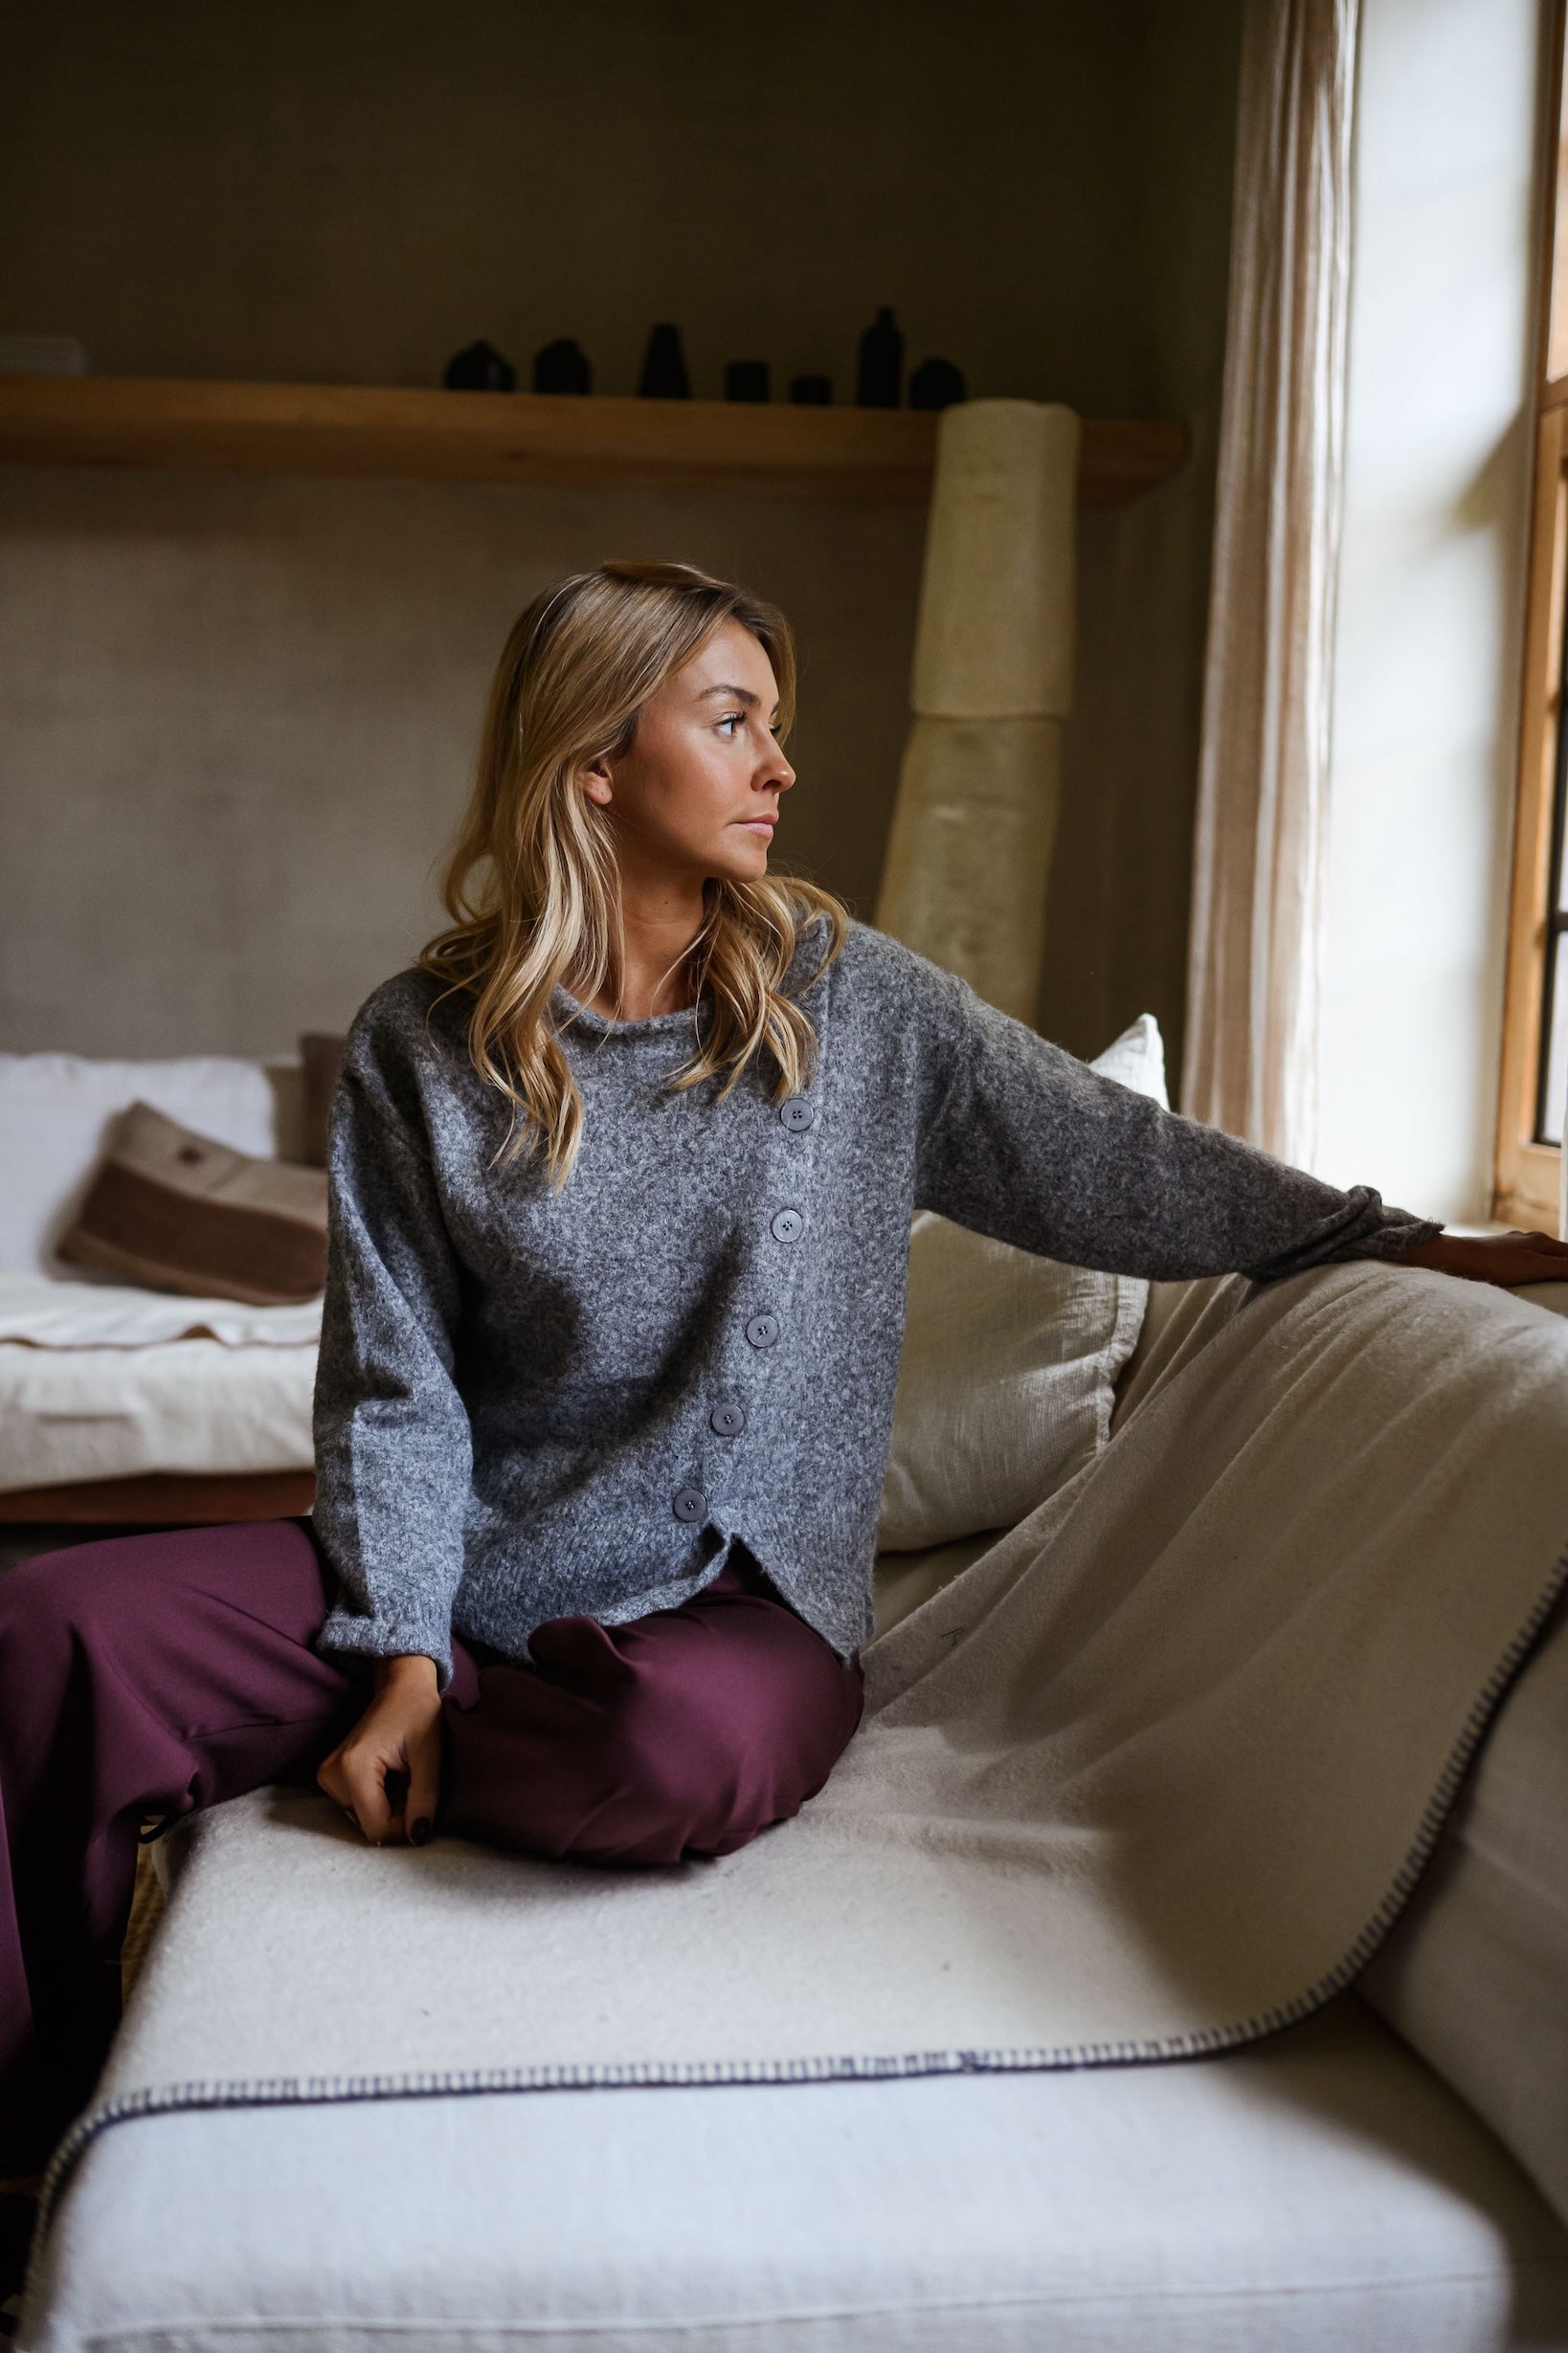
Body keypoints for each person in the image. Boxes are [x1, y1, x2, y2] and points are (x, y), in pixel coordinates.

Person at [2, 559, 1565, 2206]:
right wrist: (398, 1644)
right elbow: (394, 1384)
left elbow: (1113, 1161)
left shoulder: (846, 1002)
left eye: (774, 725)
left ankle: (424, 1727)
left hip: (729, 1599)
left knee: (673, 1752)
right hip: (451, 1567)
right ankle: (27, 2145)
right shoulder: (421, 1040)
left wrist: (1388, 1239)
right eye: (733, 720)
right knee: (51, 1633)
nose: (780, 766)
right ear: (595, 758)